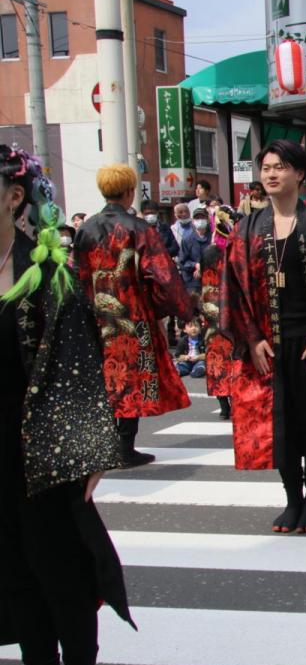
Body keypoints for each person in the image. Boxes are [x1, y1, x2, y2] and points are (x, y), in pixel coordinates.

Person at [1, 146, 134, 665]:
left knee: (57, 569)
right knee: (13, 575)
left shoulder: (49, 272)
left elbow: (81, 363)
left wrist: (86, 451)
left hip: (43, 448)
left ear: (13, 197)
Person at [222, 140, 306, 533]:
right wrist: (250, 337)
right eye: (266, 167)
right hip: (266, 345)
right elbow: (231, 284)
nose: (271, 174)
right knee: (278, 425)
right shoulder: (248, 226)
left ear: (299, 174)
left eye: (280, 166)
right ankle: (291, 500)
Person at [75, 164, 193, 469]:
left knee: (104, 378)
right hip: (133, 314)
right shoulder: (140, 228)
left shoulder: (85, 228)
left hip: (96, 316)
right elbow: (164, 276)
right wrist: (175, 310)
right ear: (130, 192)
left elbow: (75, 274)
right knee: (132, 379)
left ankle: (105, 445)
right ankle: (125, 447)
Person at [200, 208, 235, 420]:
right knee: (235, 355)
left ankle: (223, 407)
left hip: (211, 310)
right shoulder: (237, 250)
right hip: (232, 308)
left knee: (217, 358)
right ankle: (236, 401)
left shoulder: (209, 253)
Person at [179, 207, 212, 294]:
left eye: (203, 218)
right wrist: (195, 265)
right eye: (197, 218)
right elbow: (182, 262)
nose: (200, 220)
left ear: (208, 220)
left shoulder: (213, 239)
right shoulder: (187, 240)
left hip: (211, 279)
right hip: (192, 281)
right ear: (193, 221)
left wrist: (203, 268)